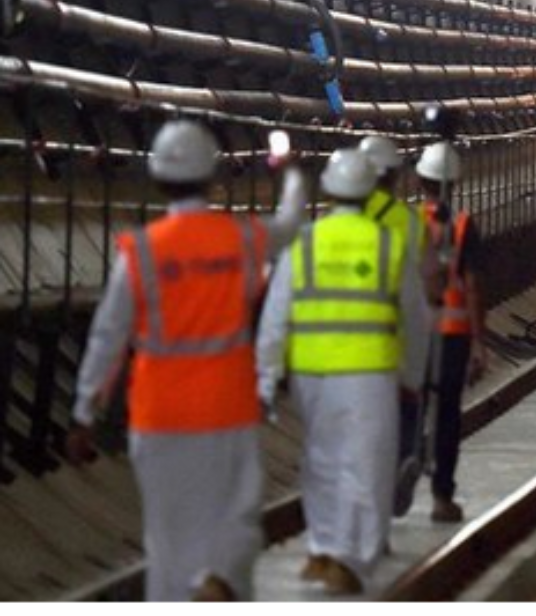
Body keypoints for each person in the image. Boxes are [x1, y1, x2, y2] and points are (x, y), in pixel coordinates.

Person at [67, 120, 307, 602]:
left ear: (158, 179)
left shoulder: (141, 252)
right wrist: (292, 172)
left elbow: (108, 338)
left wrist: (85, 413)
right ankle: (218, 578)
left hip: (160, 415)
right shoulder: (241, 238)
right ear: (211, 177)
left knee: (168, 538)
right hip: (226, 408)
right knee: (234, 515)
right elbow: (289, 224)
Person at [257, 148, 432, 595]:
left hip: (311, 370)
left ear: (330, 190)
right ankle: (351, 560)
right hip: (369, 370)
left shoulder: (304, 242)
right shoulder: (387, 243)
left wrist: (266, 375)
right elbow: (415, 319)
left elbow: (276, 314)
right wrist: (412, 377)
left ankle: (322, 547)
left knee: (321, 460)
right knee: (366, 466)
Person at [358, 135, 438, 518]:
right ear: (395, 177)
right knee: (408, 404)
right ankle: (406, 456)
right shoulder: (409, 222)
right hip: (396, 336)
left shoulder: (332, 222)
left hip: (343, 343)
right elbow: (426, 284)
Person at [415, 142, 486, 523]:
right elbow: (472, 286)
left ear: (419, 180)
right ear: (455, 184)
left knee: (410, 407)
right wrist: (479, 343)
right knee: (447, 416)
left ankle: (404, 468)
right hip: (454, 333)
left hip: (413, 334)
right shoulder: (462, 225)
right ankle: (442, 497)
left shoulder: (406, 223)